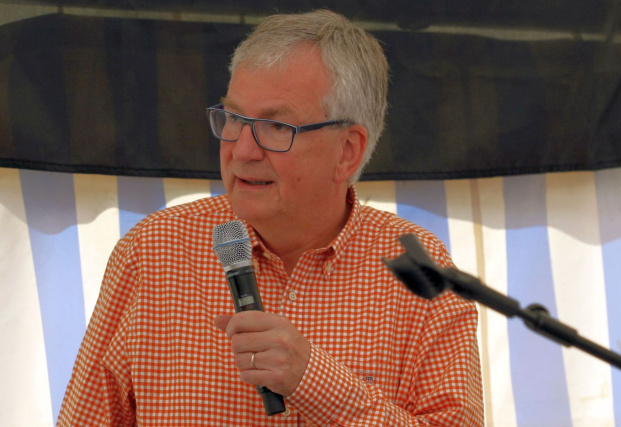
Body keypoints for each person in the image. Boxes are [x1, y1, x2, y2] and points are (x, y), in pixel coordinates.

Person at [58, 9, 483, 426]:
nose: (242, 151)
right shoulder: (154, 250)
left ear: (347, 151)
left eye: (277, 127)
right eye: (234, 118)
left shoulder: (421, 271)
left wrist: (316, 382)